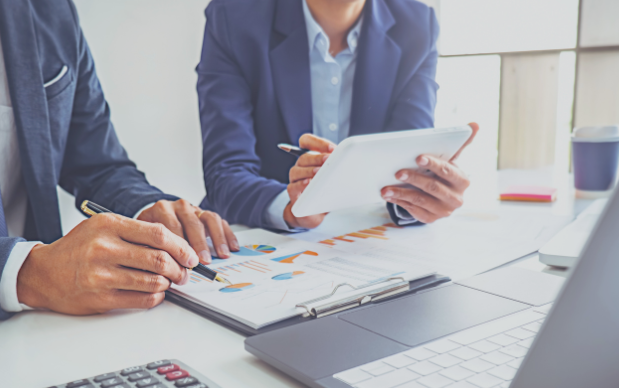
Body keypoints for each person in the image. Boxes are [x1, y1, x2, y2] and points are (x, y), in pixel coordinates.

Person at [0, 0, 239, 324]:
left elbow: (97, 164)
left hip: (36, 328)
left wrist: (145, 209)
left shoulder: (50, 11)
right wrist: (26, 272)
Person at [197, 0, 478, 231]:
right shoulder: (234, 18)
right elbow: (226, 172)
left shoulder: (417, 24)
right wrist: (291, 206)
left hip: (370, 239)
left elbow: (406, 168)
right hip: (261, 237)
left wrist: (424, 196)